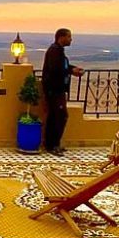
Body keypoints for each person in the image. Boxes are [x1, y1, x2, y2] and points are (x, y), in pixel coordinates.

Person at [41, 28, 83, 156]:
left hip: (57, 90)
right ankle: (52, 145)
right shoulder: (55, 51)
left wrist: (72, 69)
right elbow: (55, 70)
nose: (71, 39)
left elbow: (62, 67)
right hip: (54, 90)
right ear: (61, 37)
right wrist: (71, 71)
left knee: (58, 116)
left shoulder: (59, 51)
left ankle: (54, 144)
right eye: (69, 37)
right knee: (58, 117)